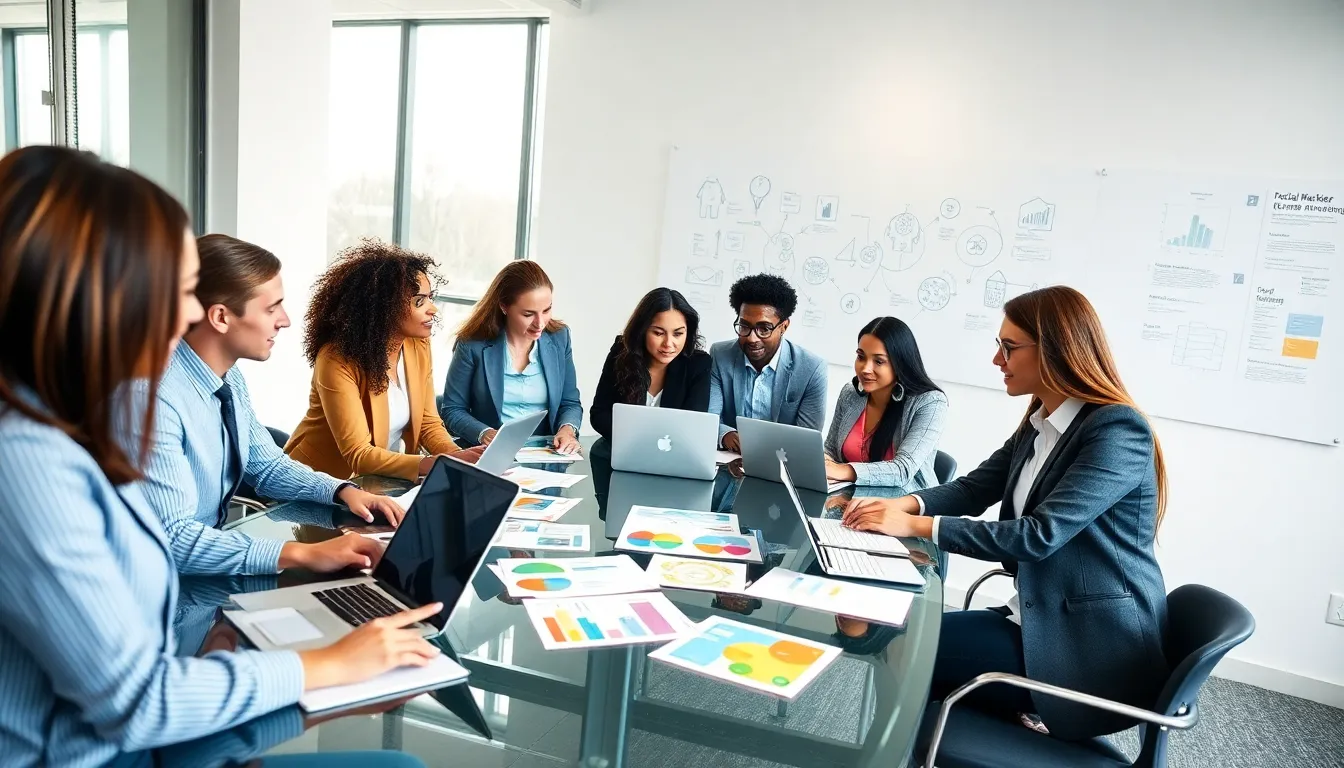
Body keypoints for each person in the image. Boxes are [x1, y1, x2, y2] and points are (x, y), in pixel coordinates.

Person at [0, 146, 443, 766]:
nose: (187, 315)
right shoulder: (30, 461)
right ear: (94, 297)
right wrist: (326, 665)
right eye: (175, 291)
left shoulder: (67, 418)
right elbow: (138, 699)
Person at [841, 286, 1169, 741]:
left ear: (1056, 350)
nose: (997, 360)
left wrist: (915, 525)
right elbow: (976, 487)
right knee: (903, 639)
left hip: (1090, 646)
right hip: (1036, 613)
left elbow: (1037, 536)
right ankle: (906, 748)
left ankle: (894, 750)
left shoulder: (1116, 429)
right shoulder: (1042, 420)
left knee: (903, 648)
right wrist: (903, 503)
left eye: (1009, 347)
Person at [132, 234, 405, 577]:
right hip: (162, 593)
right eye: (271, 307)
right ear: (220, 317)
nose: (285, 320)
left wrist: (342, 490)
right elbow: (173, 539)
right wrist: (302, 554)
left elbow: (267, 466)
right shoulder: (152, 399)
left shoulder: (228, 378)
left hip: (207, 572)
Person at [285, 240, 482, 481]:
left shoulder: (417, 344)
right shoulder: (337, 359)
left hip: (376, 484)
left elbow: (428, 423)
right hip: (317, 483)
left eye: (431, 297)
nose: (433, 309)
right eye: (419, 301)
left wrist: (462, 459)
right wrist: (433, 463)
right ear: (382, 308)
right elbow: (359, 453)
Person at [440, 261, 583, 453]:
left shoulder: (559, 338)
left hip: (547, 455)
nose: (540, 323)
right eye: (528, 314)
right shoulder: (472, 344)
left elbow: (570, 402)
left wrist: (567, 430)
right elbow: (452, 410)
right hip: (489, 453)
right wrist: (485, 433)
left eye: (547, 310)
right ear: (504, 307)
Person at [823, 316, 948, 488]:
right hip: (848, 498)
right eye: (861, 357)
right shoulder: (850, 394)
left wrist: (842, 471)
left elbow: (902, 470)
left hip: (904, 505)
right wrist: (824, 464)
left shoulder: (930, 403)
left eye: (879, 361)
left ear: (900, 363)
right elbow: (830, 450)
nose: (865, 369)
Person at [708, 273, 827, 452]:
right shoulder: (720, 355)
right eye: (744, 326)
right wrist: (725, 434)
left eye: (764, 329)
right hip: (729, 461)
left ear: (784, 327)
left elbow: (806, 439)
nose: (752, 338)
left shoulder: (811, 368)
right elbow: (709, 420)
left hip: (781, 463)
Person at [589, 287, 711, 438]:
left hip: (673, 454)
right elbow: (599, 414)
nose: (669, 343)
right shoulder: (621, 351)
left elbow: (694, 424)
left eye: (678, 334)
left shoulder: (698, 364)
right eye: (658, 333)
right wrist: (634, 439)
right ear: (642, 330)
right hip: (623, 448)